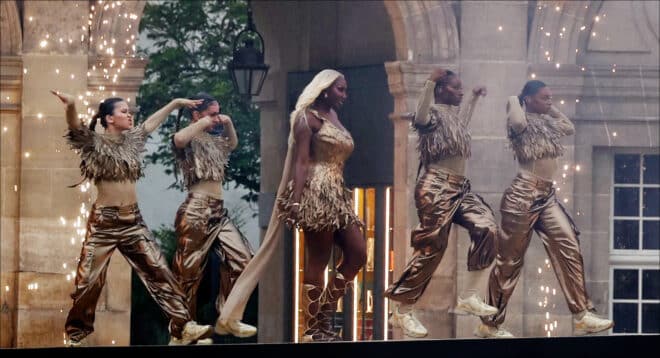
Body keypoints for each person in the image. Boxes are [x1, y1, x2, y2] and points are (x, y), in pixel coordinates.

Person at [214, 69, 367, 342]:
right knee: (318, 260)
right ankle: (312, 328)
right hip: (315, 193)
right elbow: (301, 161)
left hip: (338, 194)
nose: (345, 95)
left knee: (358, 254)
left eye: (345, 89)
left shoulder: (334, 116)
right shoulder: (307, 119)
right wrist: (296, 199)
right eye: (340, 89)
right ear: (325, 89)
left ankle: (324, 316)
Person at [52, 90, 212, 346]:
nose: (130, 115)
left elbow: (150, 123)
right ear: (109, 119)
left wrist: (175, 103)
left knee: (159, 271)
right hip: (104, 224)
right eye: (124, 111)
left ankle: (183, 328)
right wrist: (70, 105)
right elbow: (74, 125)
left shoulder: (132, 141)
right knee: (87, 281)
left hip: (133, 222)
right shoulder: (93, 143)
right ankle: (75, 335)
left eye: (129, 111)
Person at [475, 80, 614, 338]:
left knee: (569, 245)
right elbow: (517, 121)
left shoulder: (547, 124)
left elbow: (569, 127)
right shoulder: (519, 123)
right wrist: (514, 98)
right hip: (522, 196)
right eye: (545, 98)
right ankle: (489, 323)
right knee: (509, 262)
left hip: (547, 196)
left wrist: (548, 109)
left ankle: (582, 314)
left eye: (551, 97)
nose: (551, 101)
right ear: (528, 99)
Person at [384, 68, 498, 338]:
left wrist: (472, 98)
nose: (459, 90)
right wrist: (429, 82)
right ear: (442, 90)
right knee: (432, 248)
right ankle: (402, 310)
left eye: (461, 88)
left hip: (460, 188)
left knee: (487, 228)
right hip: (435, 187)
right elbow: (420, 115)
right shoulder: (431, 114)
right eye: (456, 88)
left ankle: (469, 295)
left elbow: (462, 126)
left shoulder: (452, 118)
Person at [169, 93, 254, 343]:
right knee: (188, 272)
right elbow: (180, 138)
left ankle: (228, 317)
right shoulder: (189, 136)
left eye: (219, 112)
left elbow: (232, 144)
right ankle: (181, 331)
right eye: (212, 113)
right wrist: (203, 122)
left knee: (243, 259)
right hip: (196, 209)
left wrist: (227, 123)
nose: (216, 118)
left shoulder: (215, 140)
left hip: (219, 211)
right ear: (196, 115)